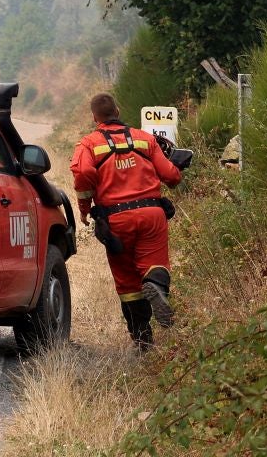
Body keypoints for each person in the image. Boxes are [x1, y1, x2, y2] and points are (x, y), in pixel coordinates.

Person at [71, 92, 184, 352]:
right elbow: (171, 176)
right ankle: (155, 286)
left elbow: (83, 172)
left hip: (115, 221)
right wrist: (176, 171)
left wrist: (85, 209)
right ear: (118, 111)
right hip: (151, 215)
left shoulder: (88, 144)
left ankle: (143, 340)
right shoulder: (145, 139)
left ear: (94, 117)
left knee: (127, 282)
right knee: (155, 264)